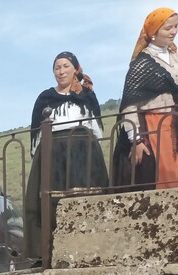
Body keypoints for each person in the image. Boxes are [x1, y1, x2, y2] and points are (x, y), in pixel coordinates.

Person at [24, 51, 109, 257]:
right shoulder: (45, 98)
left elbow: (97, 130)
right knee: (49, 202)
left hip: (83, 155)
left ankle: (89, 248)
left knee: (86, 199)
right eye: (57, 68)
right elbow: (36, 136)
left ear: (75, 69)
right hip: (53, 156)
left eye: (65, 66)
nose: (61, 71)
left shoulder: (87, 96)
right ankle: (47, 252)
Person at [112, 8, 178, 190]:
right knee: (161, 176)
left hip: (174, 124)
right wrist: (136, 140)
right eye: (168, 28)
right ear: (154, 32)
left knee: (176, 176)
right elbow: (129, 105)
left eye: (176, 26)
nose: (173, 31)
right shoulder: (143, 63)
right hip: (154, 124)